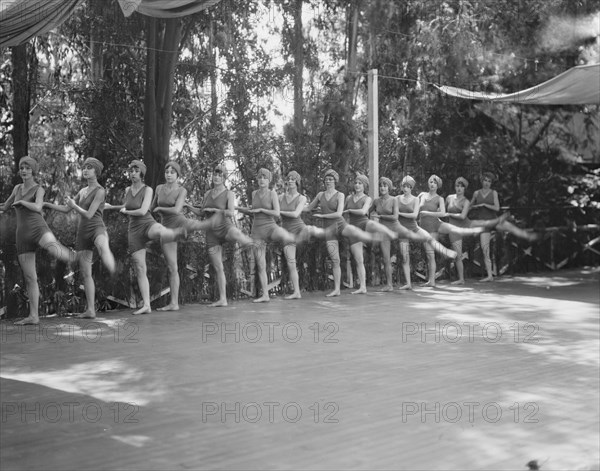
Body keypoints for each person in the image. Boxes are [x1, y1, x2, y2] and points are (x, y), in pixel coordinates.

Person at [0, 156, 77, 325]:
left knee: (54, 248)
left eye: (27, 168)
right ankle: (33, 316)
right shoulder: (17, 188)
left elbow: (37, 207)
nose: (24, 171)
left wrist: (21, 202)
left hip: (38, 229)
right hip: (22, 236)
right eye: (22, 168)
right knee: (30, 278)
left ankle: (76, 257)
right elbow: (4, 207)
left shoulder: (38, 189)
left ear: (33, 171)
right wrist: (13, 201)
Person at [105, 160, 186, 315]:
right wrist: (112, 207)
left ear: (141, 173)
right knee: (140, 268)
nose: (132, 173)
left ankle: (174, 232)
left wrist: (125, 212)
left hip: (147, 223)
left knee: (160, 231)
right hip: (133, 231)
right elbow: (126, 206)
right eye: (131, 171)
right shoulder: (128, 189)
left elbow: (143, 211)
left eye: (136, 171)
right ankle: (147, 305)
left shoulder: (148, 189)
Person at [43, 157, 116, 318]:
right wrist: (46, 204)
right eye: (84, 167)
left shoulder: (100, 191)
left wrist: (74, 205)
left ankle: (106, 253)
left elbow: (90, 214)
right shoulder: (82, 191)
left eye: (89, 167)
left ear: (96, 171)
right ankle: (91, 310)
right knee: (86, 273)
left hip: (96, 227)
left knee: (102, 245)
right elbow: (65, 209)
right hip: (82, 233)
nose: (85, 170)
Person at [304, 169, 384, 297]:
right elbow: (308, 207)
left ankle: (363, 286)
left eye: (331, 179)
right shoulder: (323, 195)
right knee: (335, 259)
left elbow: (340, 213)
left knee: (358, 258)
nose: (328, 181)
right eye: (326, 179)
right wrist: (295, 208)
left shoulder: (341, 195)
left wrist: (322, 215)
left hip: (342, 225)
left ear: (335, 181)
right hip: (330, 228)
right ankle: (337, 289)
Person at [186, 164, 252, 307]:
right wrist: (188, 206)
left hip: (224, 226)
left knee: (235, 233)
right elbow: (201, 212)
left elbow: (230, 212)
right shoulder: (207, 194)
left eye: (220, 175)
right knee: (218, 267)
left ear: (224, 177)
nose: (216, 177)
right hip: (211, 232)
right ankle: (223, 299)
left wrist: (215, 209)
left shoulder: (229, 193)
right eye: (215, 174)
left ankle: (251, 243)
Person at [151, 161, 214, 311]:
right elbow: (151, 208)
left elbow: (177, 209)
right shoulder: (159, 188)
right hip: (166, 227)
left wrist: (160, 208)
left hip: (179, 221)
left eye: (172, 172)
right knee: (172, 267)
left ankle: (213, 223)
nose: (169, 174)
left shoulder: (182, 190)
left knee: (195, 224)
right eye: (167, 172)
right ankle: (174, 303)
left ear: (178, 175)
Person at [418, 174, 491, 287]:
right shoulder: (443, 197)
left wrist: (437, 213)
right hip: (437, 226)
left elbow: (453, 214)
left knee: (443, 249)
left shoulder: (456, 200)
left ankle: (477, 229)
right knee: (440, 255)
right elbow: (440, 210)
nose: (459, 188)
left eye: (462, 186)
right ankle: (441, 280)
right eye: (457, 185)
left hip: (452, 225)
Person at [237, 168, 296, 303]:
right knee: (261, 265)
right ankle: (265, 295)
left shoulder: (272, 193)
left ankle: (294, 240)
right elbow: (253, 211)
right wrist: (239, 209)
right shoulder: (254, 193)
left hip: (270, 226)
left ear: (269, 180)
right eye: (259, 177)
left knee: (283, 235)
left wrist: (262, 209)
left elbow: (276, 213)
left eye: (264, 177)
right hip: (257, 230)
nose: (261, 179)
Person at [469, 172, 540, 282]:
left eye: (489, 181)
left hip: (494, 219)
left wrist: (485, 205)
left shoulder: (494, 193)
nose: (487, 183)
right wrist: (473, 207)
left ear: (491, 183)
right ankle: (489, 275)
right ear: (482, 181)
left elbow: (497, 208)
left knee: (510, 227)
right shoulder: (476, 193)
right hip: (484, 223)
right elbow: (470, 206)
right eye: (485, 180)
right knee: (485, 249)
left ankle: (527, 236)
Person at [397, 175, 457, 290]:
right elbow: (414, 207)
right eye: (430, 181)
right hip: (421, 226)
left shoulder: (439, 198)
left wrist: (428, 213)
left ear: (438, 184)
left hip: (432, 227)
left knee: (430, 254)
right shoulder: (421, 195)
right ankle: (430, 280)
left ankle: (432, 281)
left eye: (434, 182)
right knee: (427, 256)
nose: (432, 184)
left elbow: (443, 213)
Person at [371, 176, 430, 291]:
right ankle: (389, 285)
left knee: (410, 252)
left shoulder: (395, 199)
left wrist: (380, 216)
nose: (382, 188)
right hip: (385, 231)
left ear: (389, 187)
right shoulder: (379, 201)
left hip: (403, 227)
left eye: (385, 185)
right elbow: (367, 212)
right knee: (386, 258)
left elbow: (396, 216)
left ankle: (412, 282)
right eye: (381, 185)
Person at [343, 174, 398, 294]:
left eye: (360, 183)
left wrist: (379, 216)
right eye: (356, 183)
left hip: (376, 226)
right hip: (357, 228)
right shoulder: (370, 200)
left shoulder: (376, 199)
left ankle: (389, 284)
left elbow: (364, 212)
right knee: (363, 258)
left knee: (371, 225)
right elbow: (346, 211)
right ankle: (364, 286)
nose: (357, 185)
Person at [278, 171, 327, 299]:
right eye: (289, 179)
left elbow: (295, 214)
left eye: (293, 179)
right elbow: (273, 212)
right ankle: (297, 292)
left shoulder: (302, 198)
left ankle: (324, 232)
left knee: (309, 229)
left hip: (299, 227)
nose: (290, 181)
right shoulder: (280, 197)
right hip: (286, 231)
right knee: (291, 262)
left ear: (298, 182)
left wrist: (279, 211)